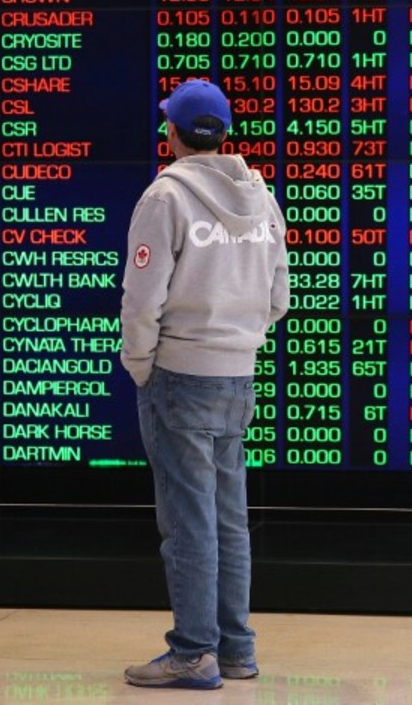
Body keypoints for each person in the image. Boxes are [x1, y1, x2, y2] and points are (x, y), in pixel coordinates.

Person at [119, 78, 289, 689]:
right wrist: (239, 341)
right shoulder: (262, 198)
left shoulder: (165, 197)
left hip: (179, 377)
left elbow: (141, 301)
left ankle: (194, 652)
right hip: (238, 377)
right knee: (229, 520)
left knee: (189, 523)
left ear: (173, 133)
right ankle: (237, 649)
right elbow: (279, 297)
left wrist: (140, 364)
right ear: (224, 134)